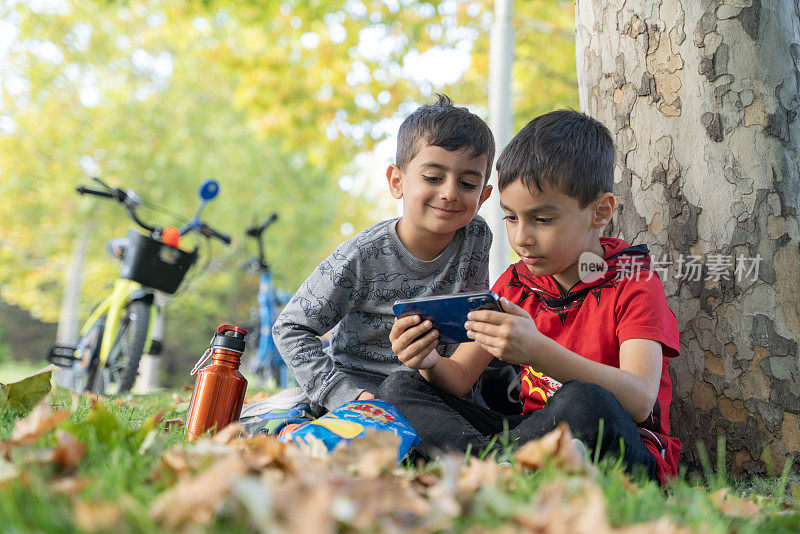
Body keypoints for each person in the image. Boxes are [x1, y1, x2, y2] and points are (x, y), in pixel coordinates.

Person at [379, 109, 681, 484]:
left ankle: (481, 467)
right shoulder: (517, 282)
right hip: (527, 433)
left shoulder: (633, 281)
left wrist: (538, 351)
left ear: (599, 211)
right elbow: (457, 378)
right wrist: (427, 361)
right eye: (510, 218)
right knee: (401, 385)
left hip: (618, 442)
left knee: (585, 401)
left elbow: (638, 401)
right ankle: (496, 469)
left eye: (542, 219)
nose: (521, 238)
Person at [272, 94, 495, 412]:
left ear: (484, 195)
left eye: (468, 183)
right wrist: (346, 398)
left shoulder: (476, 235)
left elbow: (469, 324)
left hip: (439, 392)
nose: (449, 193)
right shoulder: (362, 255)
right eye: (433, 178)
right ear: (397, 181)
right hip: (367, 401)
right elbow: (291, 328)